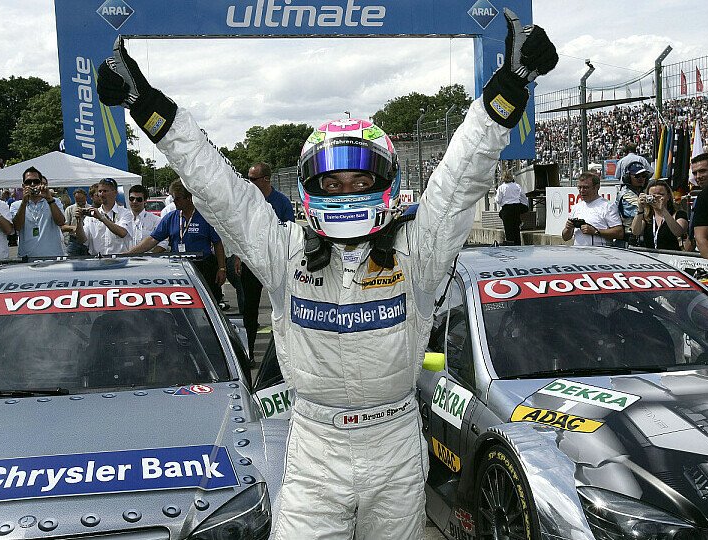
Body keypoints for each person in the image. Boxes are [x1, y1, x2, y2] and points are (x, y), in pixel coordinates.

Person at [96, 12, 556, 538]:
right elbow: (218, 188)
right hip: (314, 450)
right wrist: (148, 106)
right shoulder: (283, 252)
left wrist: (510, 85)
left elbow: (462, 176)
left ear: (385, 182)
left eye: (360, 180)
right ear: (310, 188)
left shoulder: (418, 252)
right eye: (331, 183)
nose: (346, 192)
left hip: (396, 447)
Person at [127, 179, 227, 307]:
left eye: (178, 198)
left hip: (203, 267)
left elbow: (217, 243)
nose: (174, 202)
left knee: (210, 302)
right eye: (173, 198)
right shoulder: (171, 217)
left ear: (189, 198)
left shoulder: (205, 217)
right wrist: (129, 254)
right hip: (179, 267)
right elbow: (152, 240)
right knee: (183, 303)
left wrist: (222, 268)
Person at [239, 162, 295, 358]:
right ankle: (249, 352)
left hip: (276, 261)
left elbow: (291, 231)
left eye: (252, 179)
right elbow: (240, 231)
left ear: (266, 180)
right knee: (249, 308)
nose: (249, 182)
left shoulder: (281, 202)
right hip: (252, 262)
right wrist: (238, 256)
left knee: (280, 307)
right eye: (248, 178)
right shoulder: (246, 202)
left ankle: (281, 352)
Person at [9, 167, 66, 258]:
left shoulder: (54, 201)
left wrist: (49, 198)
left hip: (52, 256)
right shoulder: (16, 205)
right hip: (27, 257)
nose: (32, 184)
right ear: (23, 186)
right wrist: (24, 202)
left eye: (36, 182)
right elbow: (17, 227)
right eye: (28, 182)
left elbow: (61, 222)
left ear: (41, 184)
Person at [74, 178, 135, 256]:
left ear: (115, 193)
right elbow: (82, 240)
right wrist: (79, 221)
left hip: (119, 259)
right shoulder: (92, 214)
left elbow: (122, 233)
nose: (102, 194)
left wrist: (102, 218)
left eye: (105, 191)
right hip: (97, 259)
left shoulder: (125, 213)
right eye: (100, 191)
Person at [562, 171, 624, 246]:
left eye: (586, 187)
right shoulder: (576, 207)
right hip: (578, 252)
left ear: (596, 187)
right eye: (579, 187)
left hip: (600, 251)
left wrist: (595, 231)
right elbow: (565, 238)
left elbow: (619, 233)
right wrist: (568, 228)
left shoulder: (608, 206)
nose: (582, 191)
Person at [631, 179, 688, 251]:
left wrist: (663, 210)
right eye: (652, 195)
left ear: (668, 196)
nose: (656, 198)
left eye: (661, 195)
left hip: (673, 256)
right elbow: (635, 232)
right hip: (651, 256)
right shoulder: (647, 217)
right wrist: (640, 209)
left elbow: (678, 232)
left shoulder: (678, 214)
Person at [616, 161, 651, 244]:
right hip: (629, 239)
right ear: (628, 177)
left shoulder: (641, 191)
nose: (641, 178)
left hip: (642, 237)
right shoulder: (625, 195)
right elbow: (646, 212)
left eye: (644, 175)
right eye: (637, 176)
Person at [127, 184, 166, 252]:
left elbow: (163, 243)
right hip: (124, 257)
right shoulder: (121, 218)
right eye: (132, 199)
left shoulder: (156, 220)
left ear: (145, 201)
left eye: (139, 199)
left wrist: (151, 255)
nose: (134, 201)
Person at [494, 169, 528, 245]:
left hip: (507, 209)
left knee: (508, 230)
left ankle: (510, 245)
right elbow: (523, 197)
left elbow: (498, 200)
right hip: (516, 208)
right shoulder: (517, 186)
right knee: (516, 229)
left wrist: (496, 198)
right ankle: (518, 244)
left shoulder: (501, 187)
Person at [61, 188, 89, 256]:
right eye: (77, 199)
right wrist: (75, 228)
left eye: (82, 198)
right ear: (74, 198)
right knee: (71, 260)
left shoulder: (90, 209)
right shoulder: (69, 209)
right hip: (74, 241)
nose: (80, 201)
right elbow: (63, 227)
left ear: (86, 197)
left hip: (88, 240)